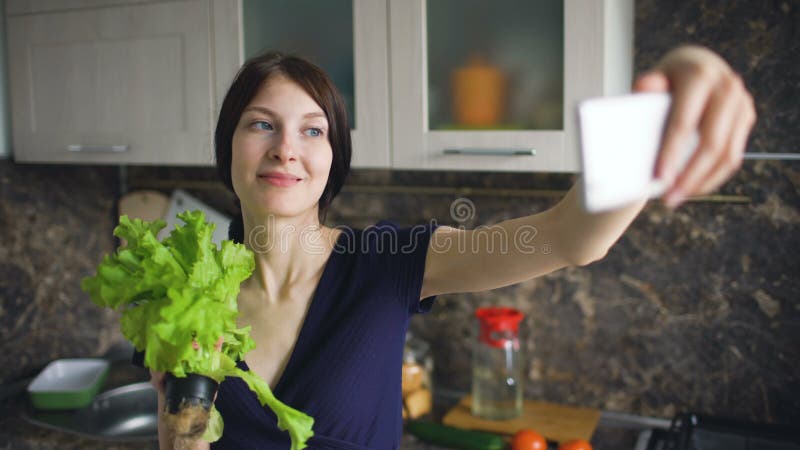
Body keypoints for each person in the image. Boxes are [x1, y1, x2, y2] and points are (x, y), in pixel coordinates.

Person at [150, 45, 755, 449]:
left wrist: (665, 103)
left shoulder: (385, 264)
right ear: (226, 145)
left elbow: (571, 237)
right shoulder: (181, 294)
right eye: (261, 124)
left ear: (332, 158)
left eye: (313, 130)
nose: (286, 148)